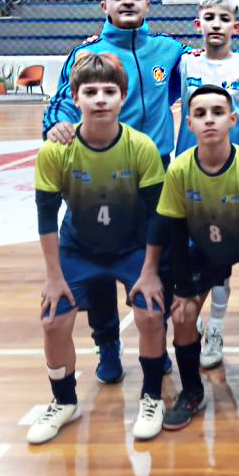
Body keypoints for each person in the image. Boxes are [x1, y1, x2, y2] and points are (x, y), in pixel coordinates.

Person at [42, 0, 189, 384]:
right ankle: (107, 345)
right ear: (103, 5)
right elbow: (60, 104)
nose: (127, 1)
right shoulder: (88, 54)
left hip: (153, 179)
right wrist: (55, 127)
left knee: (155, 264)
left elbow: (206, 69)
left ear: (147, 4)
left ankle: (155, 345)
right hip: (98, 179)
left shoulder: (170, 50)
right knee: (100, 271)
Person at [27, 52, 168, 444]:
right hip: (79, 247)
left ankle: (152, 396)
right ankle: (64, 401)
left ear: (123, 97)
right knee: (53, 319)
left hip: (132, 246)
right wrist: (54, 277)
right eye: (91, 91)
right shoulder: (55, 150)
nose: (101, 98)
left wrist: (151, 270)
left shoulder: (141, 147)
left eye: (109, 91)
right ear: (75, 98)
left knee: (152, 314)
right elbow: (45, 216)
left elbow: (158, 215)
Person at [149, 85, 239, 431]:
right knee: (183, 316)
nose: (209, 120)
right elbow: (174, 230)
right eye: (200, 114)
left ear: (233, 119)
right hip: (203, 248)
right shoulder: (180, 169)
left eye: (217, 112)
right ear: (188, 124)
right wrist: (184, 290)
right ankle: (191, 391)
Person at [174, 0, 239, 371]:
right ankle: (186, 318)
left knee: (223, 257)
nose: (216, 25)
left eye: (224, 19)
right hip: (190, 174)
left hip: (234, 175)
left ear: (235, 27)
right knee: (193, 254)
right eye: (209, 18)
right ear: (198, 24)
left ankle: (217, 328)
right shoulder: (184, 64)